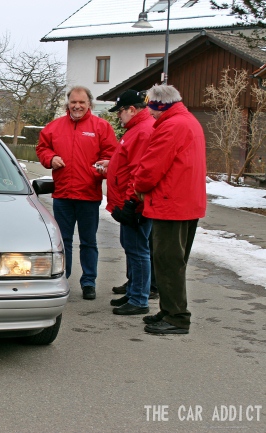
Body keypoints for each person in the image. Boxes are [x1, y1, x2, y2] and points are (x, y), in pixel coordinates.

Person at [132, 84, 207, 335]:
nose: (150, 114)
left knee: (168, 261)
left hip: (171, 204)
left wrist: (138, 185)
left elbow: (151, 167)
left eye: (151, 108)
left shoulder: (171, 126)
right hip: (185, 203)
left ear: (160, 105)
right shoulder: (187, 121)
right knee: (172, 260)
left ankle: (177, 317)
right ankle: (169, 310)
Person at [36, 86, 117, 300]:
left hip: (89, 195)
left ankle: (89, 282)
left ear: (89, 104)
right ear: (68, 103)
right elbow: (42, 148)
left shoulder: (101, 127)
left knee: (89, 241)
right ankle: (63, 278)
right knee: (63, 241)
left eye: (81, 102)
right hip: (62, 194)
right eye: (73, 102)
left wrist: (101, 168)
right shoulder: (54, 127)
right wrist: (50, 158)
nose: (77, 106)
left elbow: (112, 155)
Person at [97, 89, 155, 315]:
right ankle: (134, 292)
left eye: (120, 111)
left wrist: (131, 203)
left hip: (133, 204)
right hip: (128, 201)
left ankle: (139, 299)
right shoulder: (135, 130)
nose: (118, 116)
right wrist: (112, 166)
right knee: (132, 249)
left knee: (138, 250)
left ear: (132, 109)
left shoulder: (142, 132)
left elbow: (139, 172)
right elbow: (128, 164)